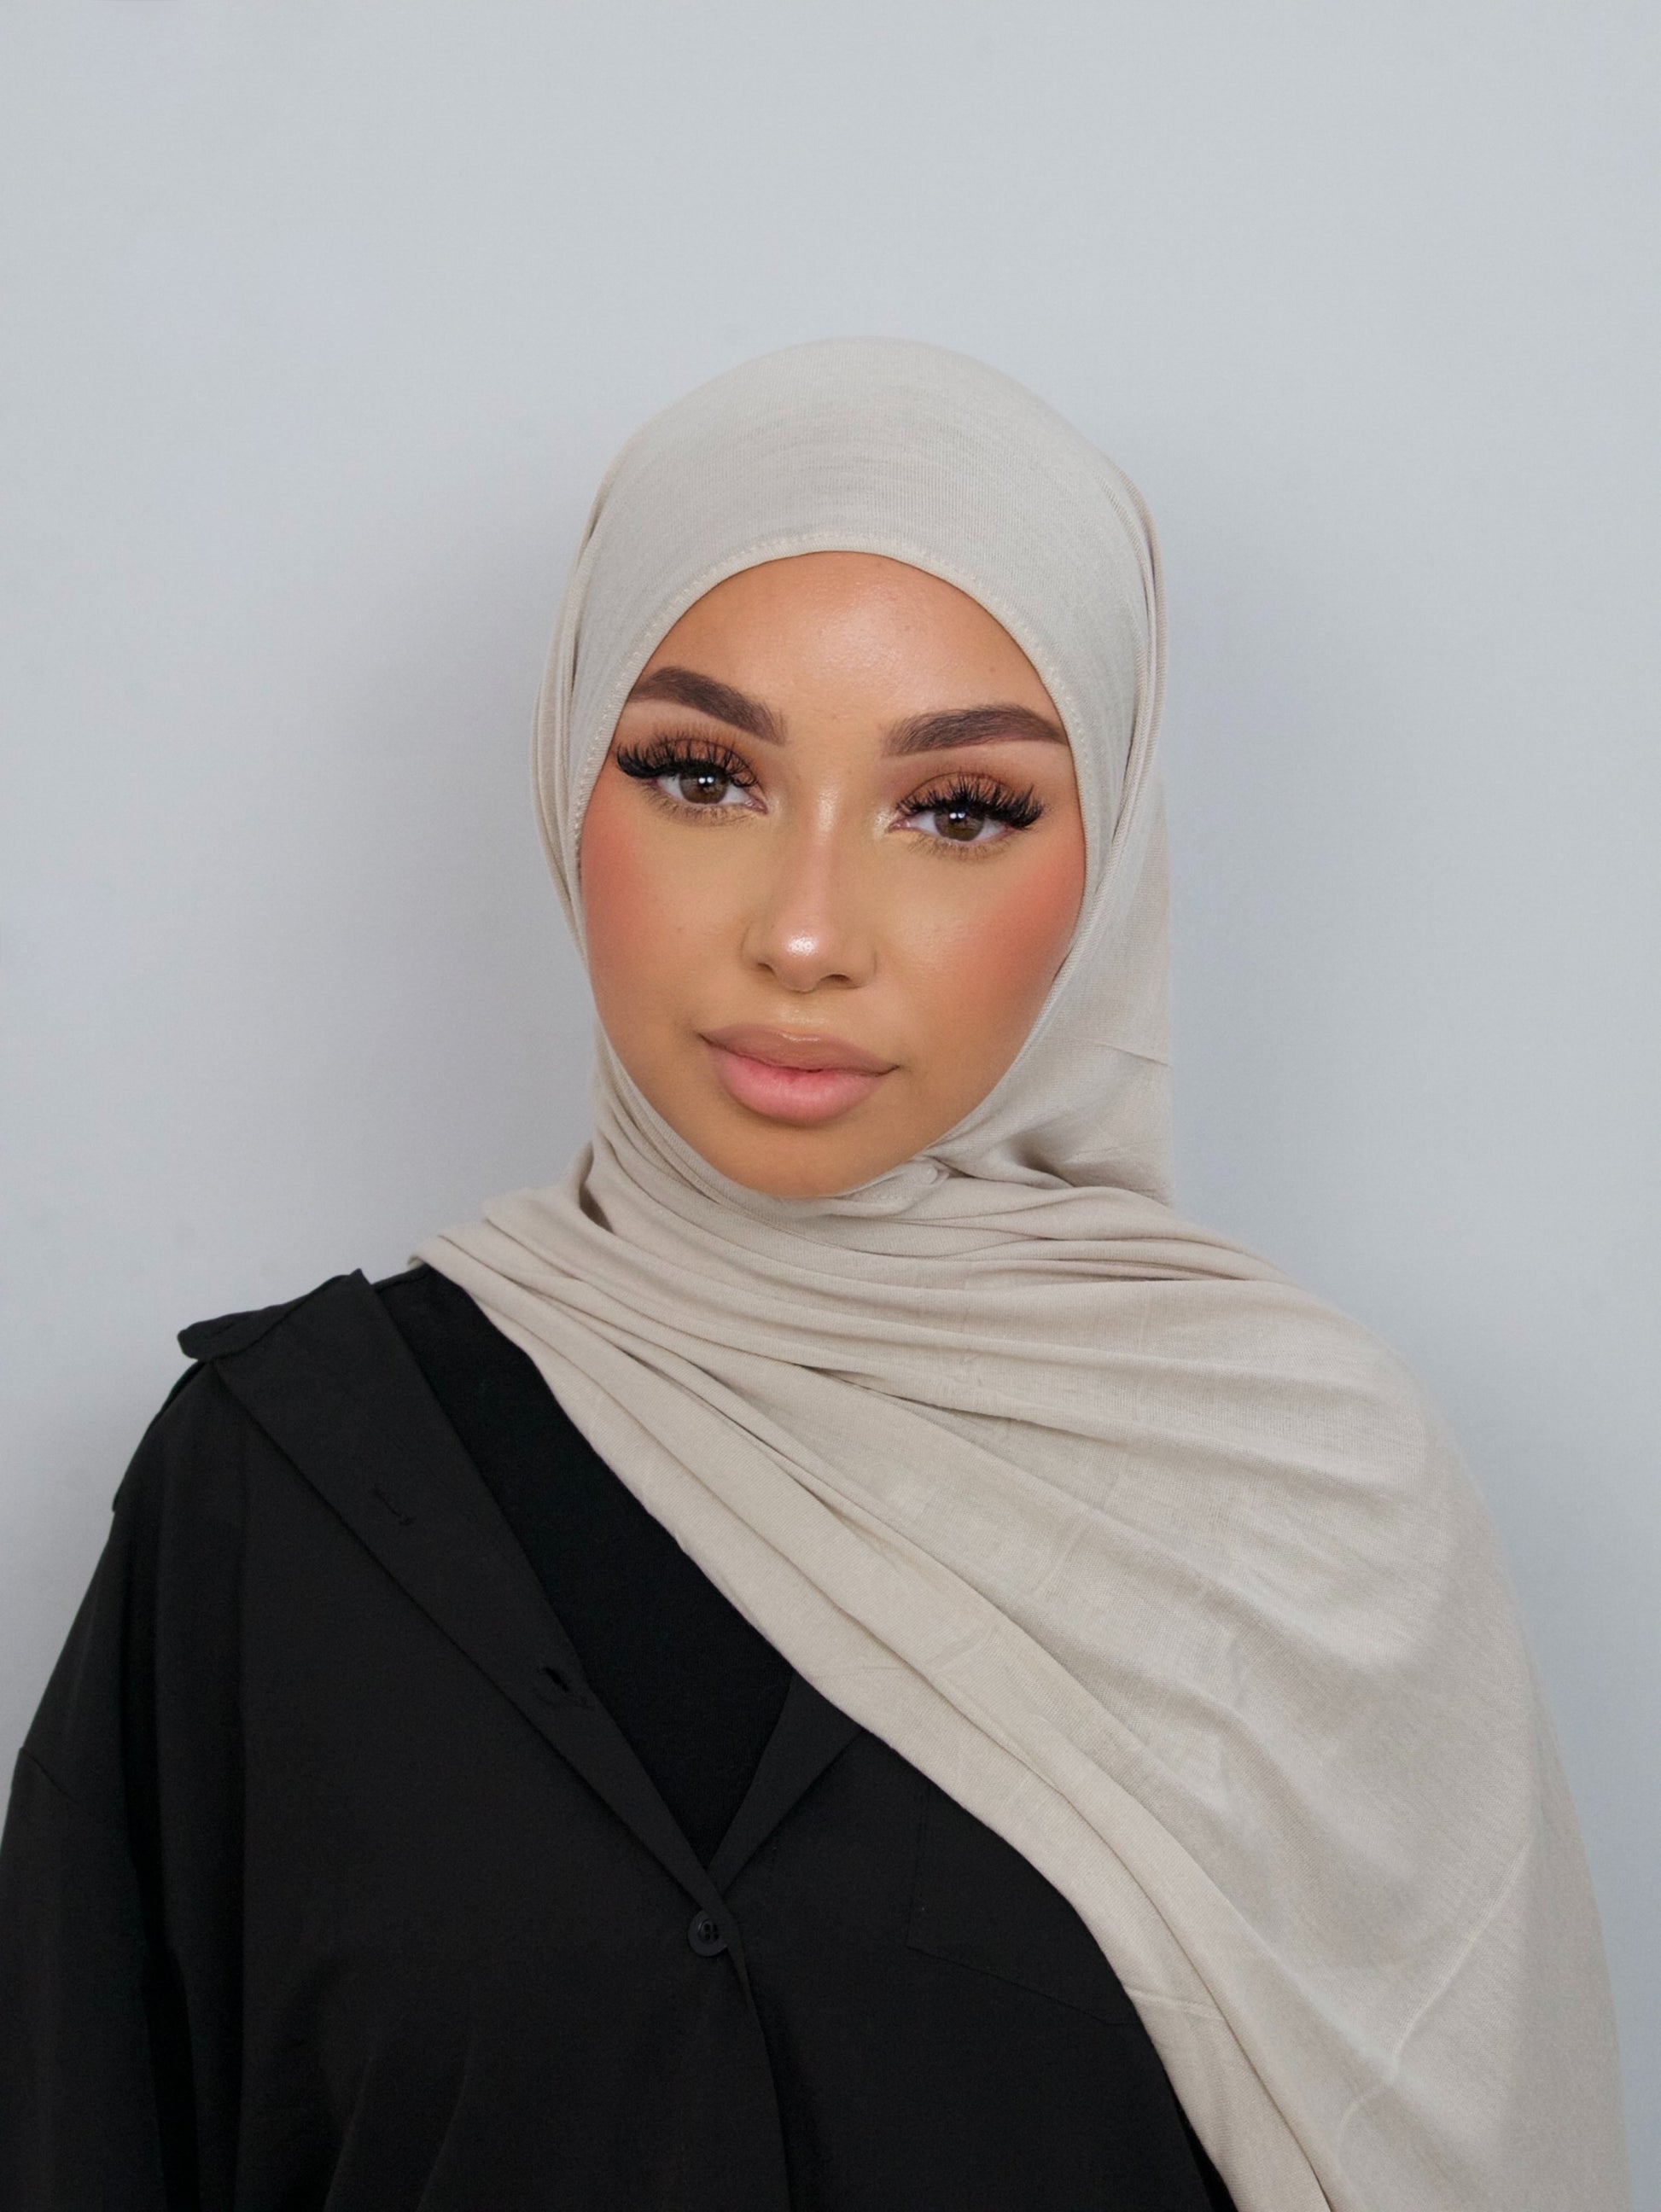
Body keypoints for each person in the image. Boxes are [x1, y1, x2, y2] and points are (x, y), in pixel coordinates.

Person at [0, 340, 1629, 2212]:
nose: (803, 932)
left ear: (1107, 864)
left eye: (959, 809)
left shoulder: (1313, 1510)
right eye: (703, 776)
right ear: (568, 783)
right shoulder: (275, 1491)